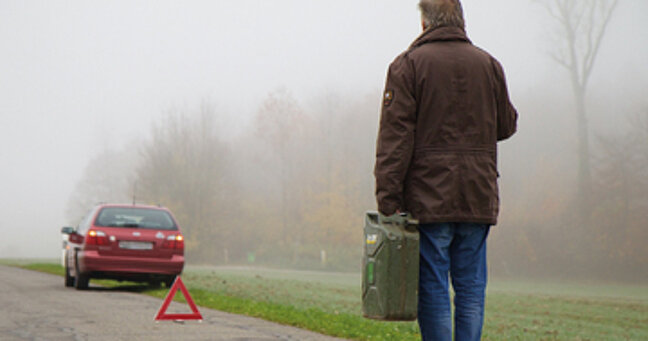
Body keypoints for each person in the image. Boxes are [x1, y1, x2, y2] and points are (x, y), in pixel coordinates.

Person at [373, 0, 518, 340]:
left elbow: (394, 141)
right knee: (470, 288)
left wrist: (387, 199)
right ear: (460, 21)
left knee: (434, 285)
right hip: (478, 194)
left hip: (429, 197)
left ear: (425, 23)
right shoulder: (489, 65)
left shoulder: (407, 66)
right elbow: (507, 125)